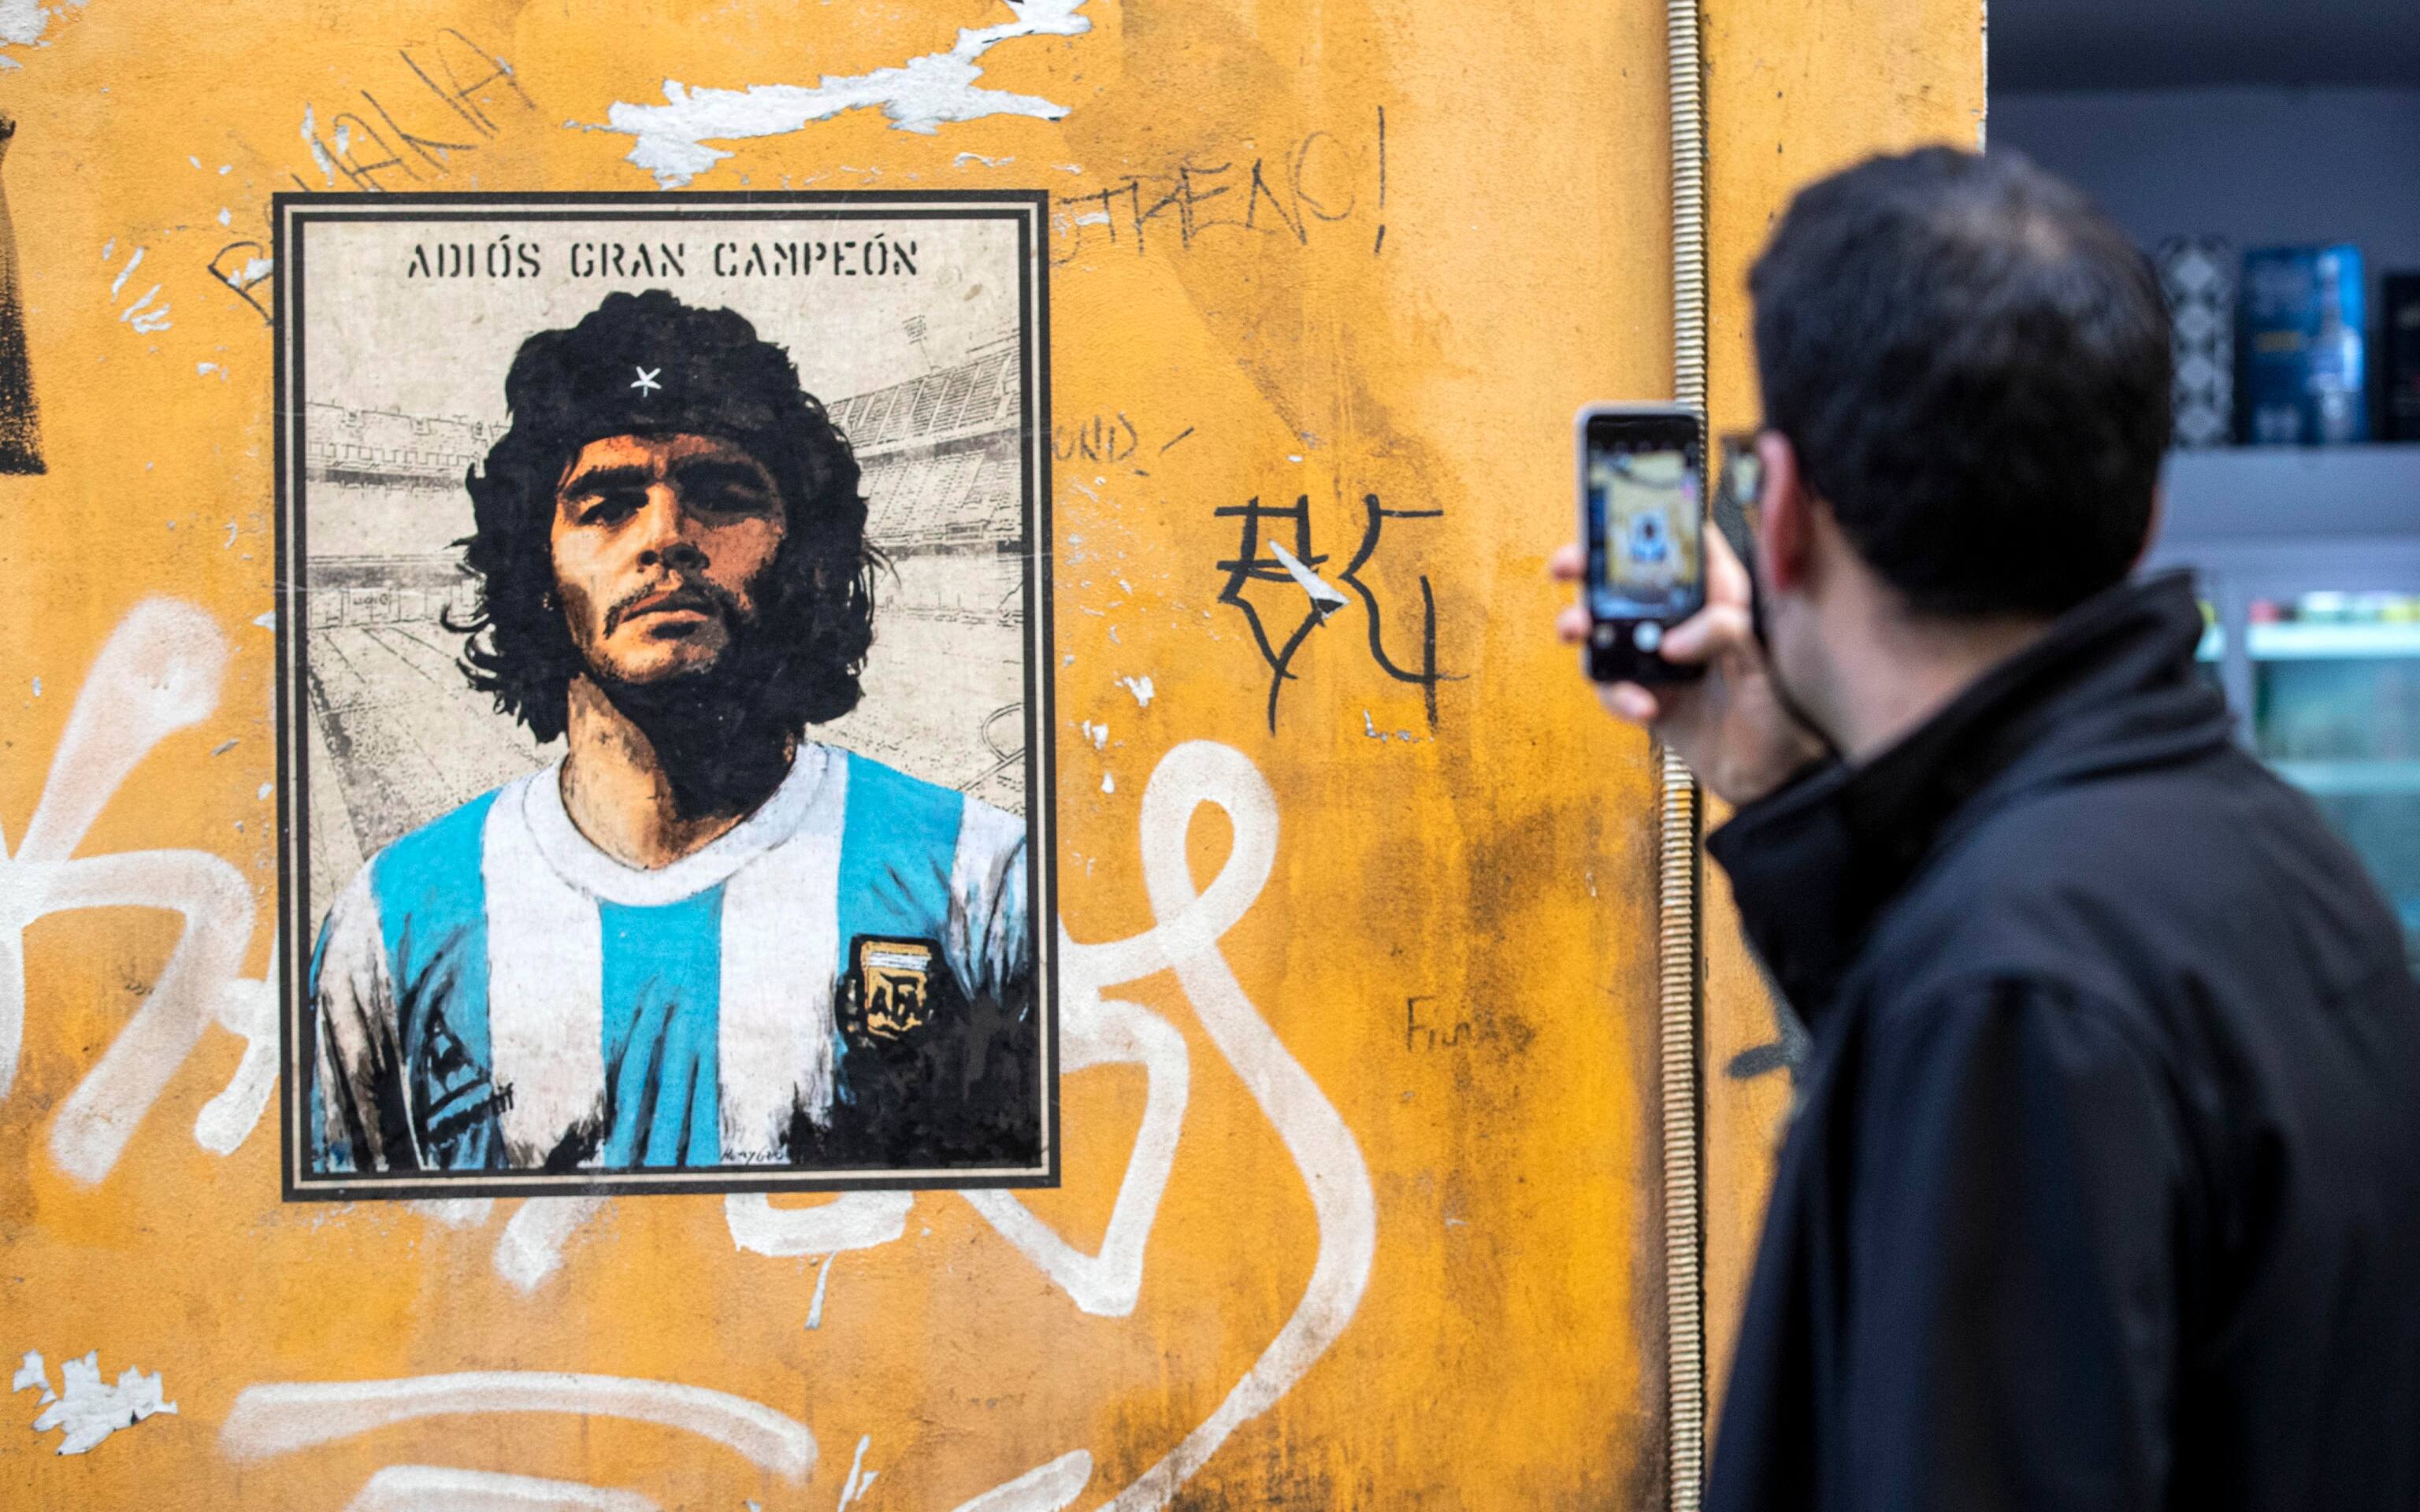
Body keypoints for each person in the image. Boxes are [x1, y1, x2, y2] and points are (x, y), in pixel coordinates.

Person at [1557, 147, 2420, 1508]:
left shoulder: (2012, 992)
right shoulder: (2268, 859)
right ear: (2141, 516)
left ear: (1776, 518)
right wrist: (1784, 798)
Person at [310, 289, 1037, 1177]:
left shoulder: (984, 880)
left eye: (723, 495)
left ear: (804, 553)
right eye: (609, 504)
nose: (668, 537)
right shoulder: (394, 920)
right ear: (532, 568)